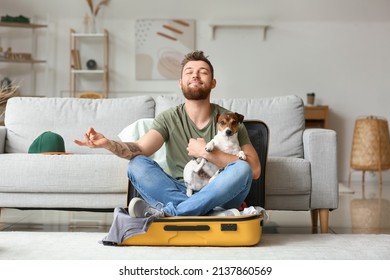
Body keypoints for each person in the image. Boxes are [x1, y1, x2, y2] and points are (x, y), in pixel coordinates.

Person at [74, 50, 261, 218]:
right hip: (180, 189)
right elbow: (140, 148)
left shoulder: (231, 123)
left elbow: (254, 169)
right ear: (180, 83)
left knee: (242, 168)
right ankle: (207, 212)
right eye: (189, 72)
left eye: (203, 72)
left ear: (213, 83)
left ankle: (175, 212)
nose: (195, 74)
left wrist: (206, 153)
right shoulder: (169, 118)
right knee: (137, 164)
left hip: (219, 191)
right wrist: (108, 144)